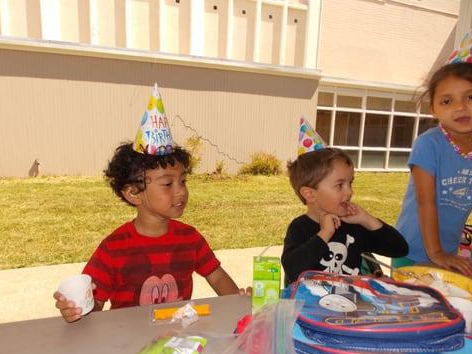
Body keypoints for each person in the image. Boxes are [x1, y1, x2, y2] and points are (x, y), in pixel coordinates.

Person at [54, 84, 248, 322]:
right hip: (125, 343)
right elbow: (94, 302)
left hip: (177, 338)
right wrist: (76, 309)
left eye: (183, 181)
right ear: (133, 193)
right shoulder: (114, 249)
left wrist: (238, 304)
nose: (181, 192)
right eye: (168, 184)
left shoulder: (190, 239)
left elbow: (216, 276)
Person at [394, 25, 472, 275]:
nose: (460, 107)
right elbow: (425, 202)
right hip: (410, 251)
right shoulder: (428, 145)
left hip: (448, 252)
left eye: (471, 97)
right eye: (447, 101)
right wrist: (436, 253)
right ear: (434, 108)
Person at [282, 146, 409, 285]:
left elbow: (400, 249)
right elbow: (292, 270)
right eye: (340, 185)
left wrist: (367, 219)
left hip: (351, 303)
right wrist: (324, 234)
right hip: (310, 304)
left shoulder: (352, 226)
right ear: (310, 194)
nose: (349, 192)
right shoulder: (300, 227)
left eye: (350, 183)